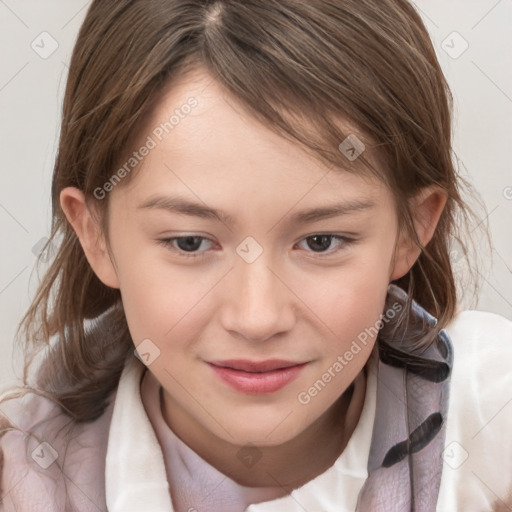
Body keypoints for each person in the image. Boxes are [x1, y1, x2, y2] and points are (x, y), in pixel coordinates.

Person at [1, 0, 511, 510]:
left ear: (411, 229)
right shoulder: (21, 480)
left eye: (320, 242)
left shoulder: (492, 430)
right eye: (190, 242)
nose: (257, 318)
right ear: (96, 235)